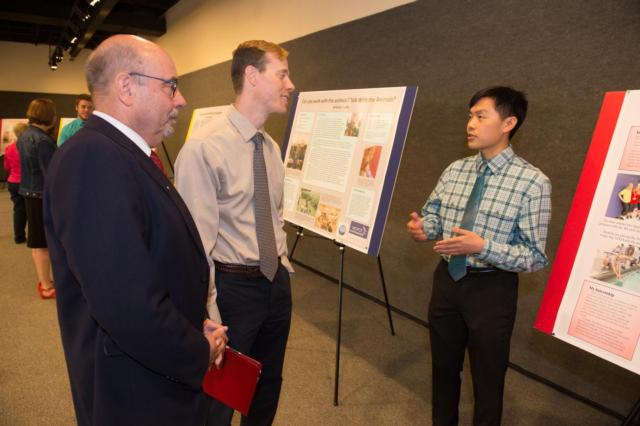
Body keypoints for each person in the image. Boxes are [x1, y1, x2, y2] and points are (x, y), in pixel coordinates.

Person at [43, 35, 228, 426]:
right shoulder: (93, 160)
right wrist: (197, 349)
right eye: (171, 86)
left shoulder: (122, 154)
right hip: (135, 394)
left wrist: (193, 318)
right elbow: (126, 304)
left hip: (152, 376)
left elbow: (148, 263)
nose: (180, 100)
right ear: (127, 87)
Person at [406, 86, 552, 425]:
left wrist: (482, 247)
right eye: (470, 115)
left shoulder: (533, 182)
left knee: (488, 381)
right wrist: (423, 229)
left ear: (508, 123)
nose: (470, 123)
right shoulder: (455, 170)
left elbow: (534, 256)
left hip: (492, 290)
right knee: (443, 371)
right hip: (447, 283)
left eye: (480, 116)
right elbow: (435, 217)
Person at [175, 39, 295, 426]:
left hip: (275, 283)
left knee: (267, 385)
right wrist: (208, 314)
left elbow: (272, 217)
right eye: (282, 74)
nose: (290, 85)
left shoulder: (272, 148)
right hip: (232, 290)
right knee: (221, 395)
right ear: (252, 76)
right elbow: (194, 245)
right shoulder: (204, 149)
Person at [17, 99, 58, 299]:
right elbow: (51, 173)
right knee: (41, 242)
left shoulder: (24, 135)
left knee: (37, 240)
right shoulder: (43, 140)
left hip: (29, 192)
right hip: (41, 195)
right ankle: (46, 286)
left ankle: (45, 281)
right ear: (47, 114)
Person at [4, 122, 28, 244]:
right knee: (31, 211)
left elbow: (6, 167)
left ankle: (19, 237)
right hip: (26, 183)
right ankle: (35, 237)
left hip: (12, 182)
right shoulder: (28, 148)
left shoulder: (9, 148)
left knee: (18, 210)